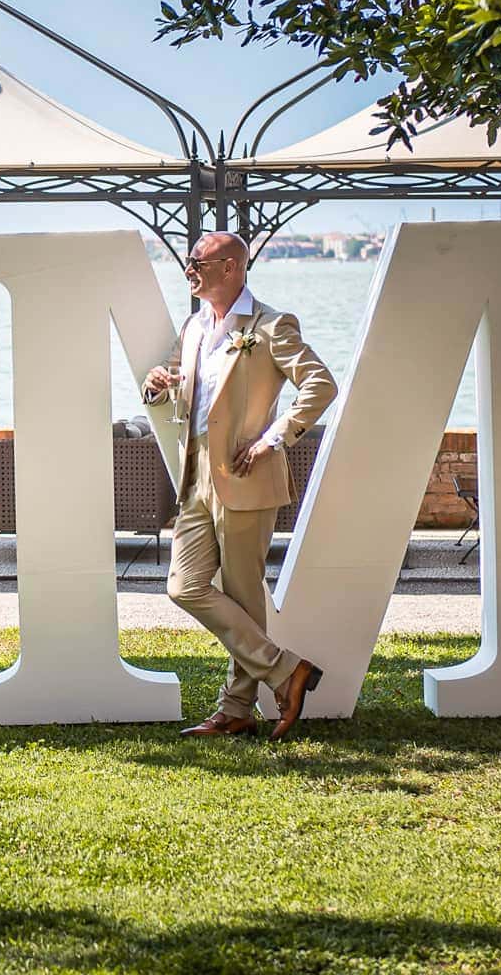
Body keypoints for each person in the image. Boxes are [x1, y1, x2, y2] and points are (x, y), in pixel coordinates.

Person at [142, 232, 337, 742]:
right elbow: (189, 393)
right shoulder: (193, 326)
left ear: (230, 268)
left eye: (197, 262)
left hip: (247, 473)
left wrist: (275, 439)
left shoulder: (272, 326)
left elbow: (320, 383)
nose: (189, 269)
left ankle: (236, 710)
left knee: (246, 598)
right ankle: (285, 669)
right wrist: (160, 384)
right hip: (195, 473)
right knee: (184, 586)